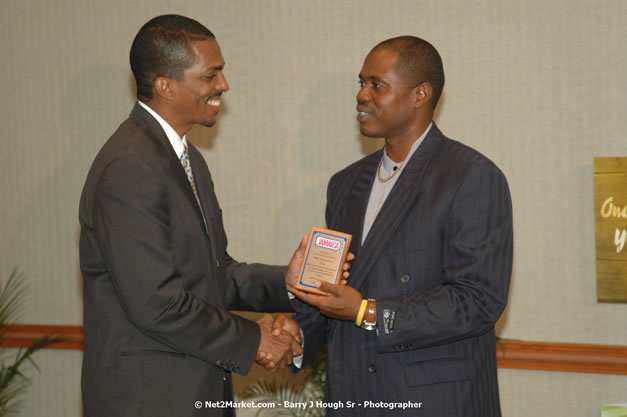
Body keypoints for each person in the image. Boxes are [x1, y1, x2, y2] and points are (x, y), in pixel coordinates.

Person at [79, 14, 308, 417]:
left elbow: (214, 275)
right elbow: (158, 303)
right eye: (211, 75)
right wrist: (255, 338)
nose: (223, 85)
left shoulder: (188, 160)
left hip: (194, 391)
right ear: (166, 85)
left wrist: (288, 284)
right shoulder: (129, 166)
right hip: (149, 399)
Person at [285, 36, 513, 417]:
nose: (362, 96)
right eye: (361, 83)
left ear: (420, 94)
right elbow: (337, 290)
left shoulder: (471, 176)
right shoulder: (344, 184)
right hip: (354, 395)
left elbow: (478, 300)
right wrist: (293, 337)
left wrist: (367, 311)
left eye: (377, 85)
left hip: (435, 403)